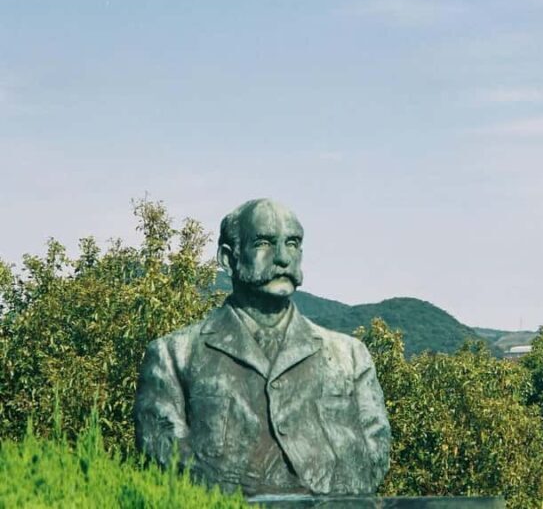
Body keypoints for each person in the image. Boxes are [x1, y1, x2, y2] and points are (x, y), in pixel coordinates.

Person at [133, 199, 391, 496]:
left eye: (292, 243)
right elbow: (164, 456)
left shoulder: (350, 356)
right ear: (229, 258)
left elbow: (376, 449)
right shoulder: (173, 356)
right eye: (264, 243)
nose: (283, 258)